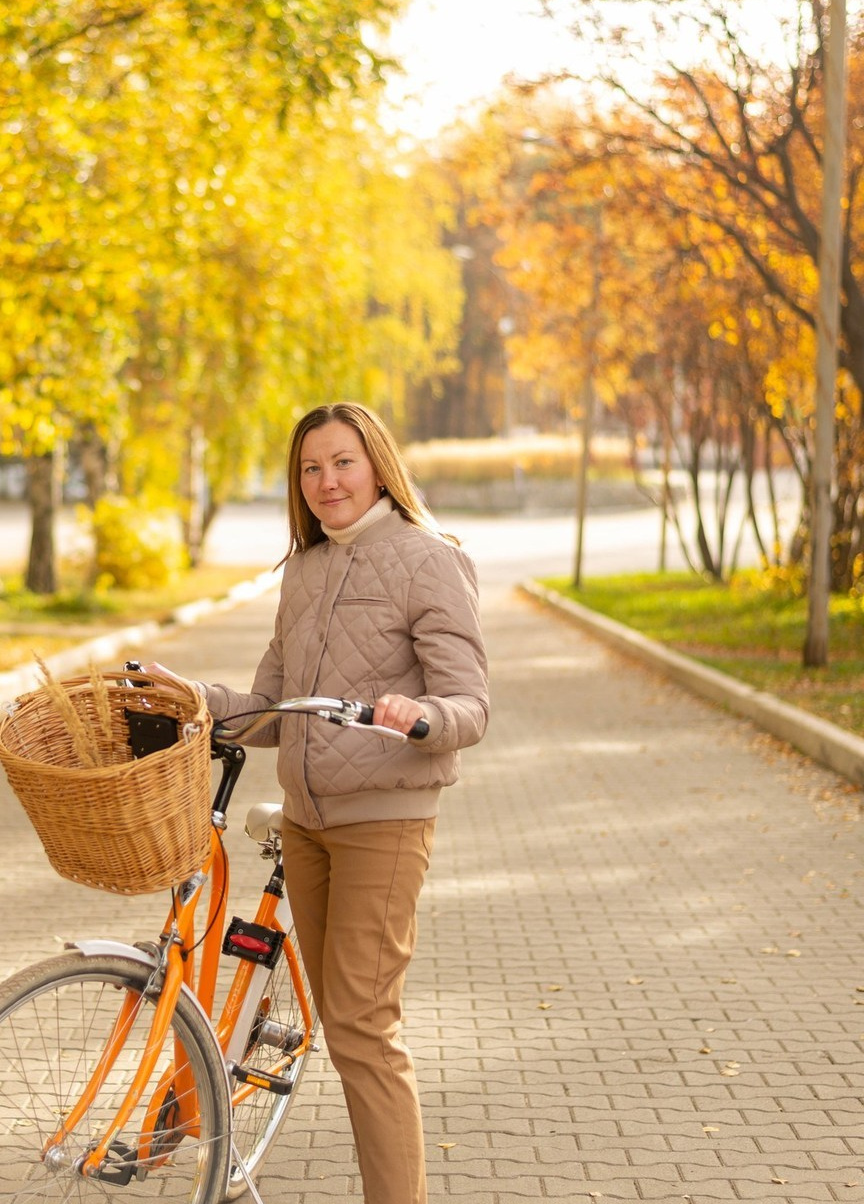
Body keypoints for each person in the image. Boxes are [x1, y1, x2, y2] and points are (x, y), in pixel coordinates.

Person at [156, 401, 489, 1204]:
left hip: (385, 822)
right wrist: (193, 700)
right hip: (306, 825)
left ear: (376, 462)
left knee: (362, 1029)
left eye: (342, 462)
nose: (327, 481)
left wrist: (423, 717)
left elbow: (470, 704)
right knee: (342, 1022)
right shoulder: (302, 570)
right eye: (311, 469)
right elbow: (272, 706)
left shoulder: (426, 559)